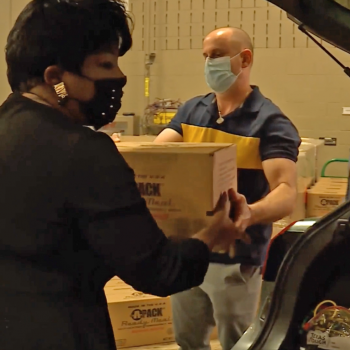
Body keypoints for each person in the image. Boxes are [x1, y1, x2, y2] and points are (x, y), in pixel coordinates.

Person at [0, 3, 243, 350]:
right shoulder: (83, 150)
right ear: (56, 78)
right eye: (105, 64)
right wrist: (212, 235)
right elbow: (160, 271)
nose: (118, 77)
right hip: (64, 331)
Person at [155, 27, 301, 350]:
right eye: (205, 56)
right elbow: (157, 157)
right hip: (189, 249)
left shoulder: (269, 122)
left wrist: (249, 212)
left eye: (217, 55)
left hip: (236, 258)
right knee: (188, 339)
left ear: (244, 58)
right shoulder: (192, 112)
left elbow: (286, 191)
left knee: (239, 341)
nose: (208, 63)